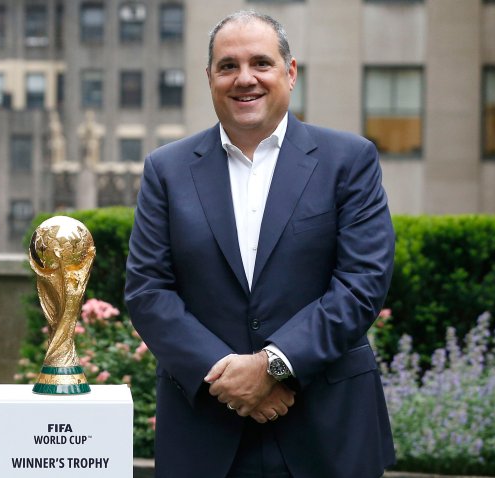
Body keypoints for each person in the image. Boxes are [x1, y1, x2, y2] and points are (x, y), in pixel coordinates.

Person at [125, 10, 395, 478]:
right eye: (228, 66)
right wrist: (232, 377)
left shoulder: (349, 160)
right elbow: (148, 292)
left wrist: (272, 365)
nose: (244, 79)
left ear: (290, 73)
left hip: (327, 430)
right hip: (205, 433)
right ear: (209, 77)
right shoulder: (166, 170)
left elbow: (361, 283)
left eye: (261, 63)